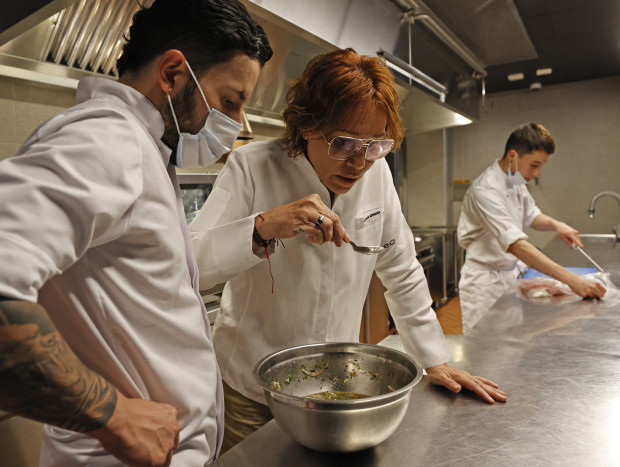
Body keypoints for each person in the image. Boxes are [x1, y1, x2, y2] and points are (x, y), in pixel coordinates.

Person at [189, 48, 507, 452]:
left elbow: (401, 269)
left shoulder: (377, 178)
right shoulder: (252, 167)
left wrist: (434, 359)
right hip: (251, 389)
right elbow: (191, 261)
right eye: (343, 143)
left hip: (332, 386)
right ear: (306, 125)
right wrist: (263, 227)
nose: (359, 163)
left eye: (375, 145)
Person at [0, 0, 272, 465]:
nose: (236, 125)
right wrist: (112, 414)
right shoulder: (108, 141)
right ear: (172, 74)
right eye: (229, 102)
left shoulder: (144, 149)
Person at [457, 123, 606, 333]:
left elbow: (531, 215)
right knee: (484, 350)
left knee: (511, 346)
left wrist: (558, 225)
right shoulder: (486, 190)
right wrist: (573, 281)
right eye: (534, 165)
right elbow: (516, 245)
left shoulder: (515, 181)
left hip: (508, 277)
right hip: (484, 285)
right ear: (512, 155)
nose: (536, 173)